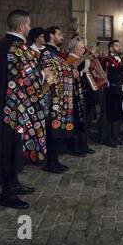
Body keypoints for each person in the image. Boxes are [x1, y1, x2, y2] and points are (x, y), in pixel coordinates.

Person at [0, 10, 47, 209]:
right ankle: (8, 193)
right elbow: (30, 77)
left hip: (1, 104)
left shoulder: (2, 45)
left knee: (8, 145)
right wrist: (45, 74)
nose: (29, 28)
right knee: (10, 146)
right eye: (28, 25)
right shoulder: (18, 48)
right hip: (12, 108)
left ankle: (13, 182)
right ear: (21, 26)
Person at [41, 26, 82, 173]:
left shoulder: (57, 54)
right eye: (59, 34)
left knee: (56, 131)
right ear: (51, 36)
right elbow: (51, 74)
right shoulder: (46, 53)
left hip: (60, 98)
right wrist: (69, 71)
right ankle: (50, 162)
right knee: (51, 131)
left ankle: (55, 160)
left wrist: (71, 70)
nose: (62, 37)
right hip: (51, 98)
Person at [65, 37, 95, 156]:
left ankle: (83, 145)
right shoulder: (71, 58)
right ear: (76, 48)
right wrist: (85, 64)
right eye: (83, 47)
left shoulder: (78, 58)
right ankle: (74, 147)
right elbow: (72, 72)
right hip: (73, 95)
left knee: (82, 121)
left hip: (81, 94)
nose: (84, 49)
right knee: (76, 121)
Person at [101, 40, 123, 147]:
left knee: (117, 114)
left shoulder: (120, 59)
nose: (119, 47)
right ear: (111, 48)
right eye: (116, 45)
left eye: (119, 45)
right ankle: (108, 137)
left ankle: (117, 136)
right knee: (110, 114)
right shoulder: (106, 60)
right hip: (110, 89)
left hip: (119, 89)